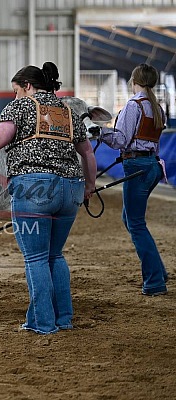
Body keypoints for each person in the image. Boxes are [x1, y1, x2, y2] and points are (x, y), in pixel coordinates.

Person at [0, 62, 97, 335]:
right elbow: (87, 154)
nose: (14, 96)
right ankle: (63, 319)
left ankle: (43, 323)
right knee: (55, 256)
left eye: (16, 90)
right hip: (70, 189)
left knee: (36, 258)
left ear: (27, 86)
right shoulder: (67, 111)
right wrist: (89, 188)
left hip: (34, 188)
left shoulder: (20, 106)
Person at [98, 63, 169, 296]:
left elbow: (120, 140)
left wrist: (98, 131)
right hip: (152, 165)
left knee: (136, 224)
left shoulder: (133, 105)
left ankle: (155, 281)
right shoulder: (156, 107)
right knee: (130, 219)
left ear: (133, 81)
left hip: (137, 166)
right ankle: (158, 270)